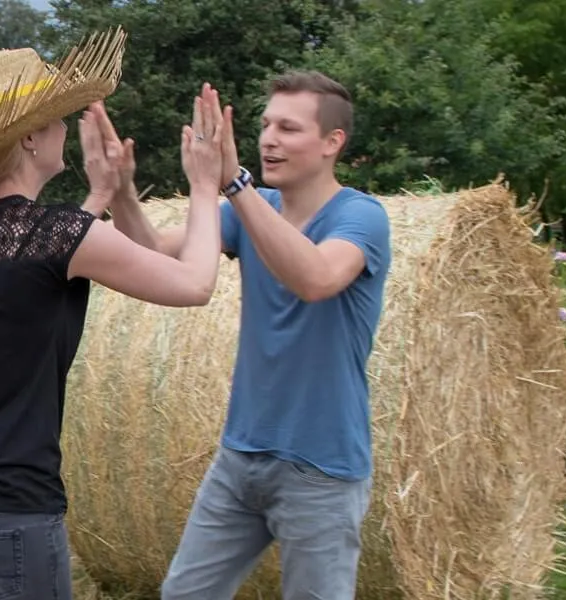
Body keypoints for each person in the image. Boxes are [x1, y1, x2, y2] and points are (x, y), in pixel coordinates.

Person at [0, 30, 232, 599]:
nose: (62, 128)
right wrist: (206, 187)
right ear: (30, 137)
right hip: (4, 516)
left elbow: (31, 271)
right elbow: (195, 284)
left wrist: (103, 194)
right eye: (55, 119)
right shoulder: (56, 235)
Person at [103, 71, 391, 599]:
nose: (269, 138)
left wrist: (235, 185)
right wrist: (120, 191)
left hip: (321, 470)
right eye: (264, 124)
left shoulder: (361, 218)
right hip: (241, 457)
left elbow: (315, 279)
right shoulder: (249, 214)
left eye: (288, 127)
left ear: (333, 143)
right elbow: (150, 252)